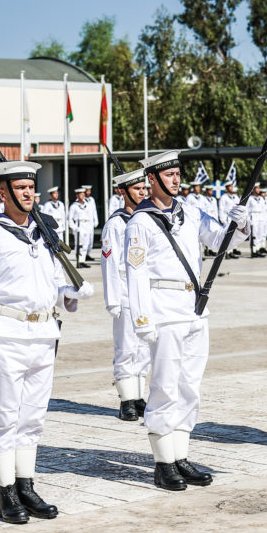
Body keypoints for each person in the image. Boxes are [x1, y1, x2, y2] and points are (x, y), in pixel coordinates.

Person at [0, 160, 93, 523]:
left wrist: (72, 291)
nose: (28, 194)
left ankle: (26, 485)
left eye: (30, 188)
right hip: (6, 334)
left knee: (33, 416)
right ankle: (6, 492)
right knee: (3, 416)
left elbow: (55, 282)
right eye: (19, 188)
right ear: (1, 193)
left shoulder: (43, 234)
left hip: (42, 334)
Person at [124, 149, 249, 491]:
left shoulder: (191, 212)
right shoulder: (140, 222)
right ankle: (164, 462)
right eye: (169, 174)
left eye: (178, 173)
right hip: (163, 309)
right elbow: (135, 275)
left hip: (194, 307)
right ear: (151, 180)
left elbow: (222, 240)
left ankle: (180, 455)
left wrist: (240, 222)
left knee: (189, 386)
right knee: (164, 386)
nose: (176, 179)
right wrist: (142, 320)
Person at [101, 168, 151, 421]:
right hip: (124, 291)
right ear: (123, 192)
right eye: (136, 189)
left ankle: (139, 396)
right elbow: (109, 263)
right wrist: (113, 300)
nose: (142, 193)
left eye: (144, 188)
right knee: (127, 347)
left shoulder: (147, 219)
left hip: (145, 291)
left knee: (144, 346)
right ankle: (126, 399)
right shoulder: (116, 223)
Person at [68, 187, 95, 267]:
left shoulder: (88, 205)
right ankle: (78, 260)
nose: (82, 196)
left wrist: (91, 226)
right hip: (79, 226)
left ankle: (82, 260)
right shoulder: (74, 206)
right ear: (77, 195)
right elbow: (70, 219)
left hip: (87, 226)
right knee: (79, 244)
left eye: (83, 194)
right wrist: (75, 228)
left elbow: (90, 216)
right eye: (80, 194)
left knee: (86, 244)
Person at [247, 184, 267, 257]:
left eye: (259, 188)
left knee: (260, 235)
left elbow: (264, 209)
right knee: (254, 234)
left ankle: (258, 249)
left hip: (261, 217)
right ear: (253, 190)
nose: (258, 190)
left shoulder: (261, 199)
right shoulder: (250, 199)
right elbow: (247, 210)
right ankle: (253, 250)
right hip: (254, 217)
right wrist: (248, 220)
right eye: (256, 188)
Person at [218, 183, 240, 257]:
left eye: (232, 186)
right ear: (227, 188)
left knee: (234, 235)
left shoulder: (236, 197)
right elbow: (221, 209)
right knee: (228, 236)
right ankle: (227, 252)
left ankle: (232, 251)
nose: (231, 188)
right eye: (230, 186)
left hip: (234, 218)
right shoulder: (223, 197)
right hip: (227, 218)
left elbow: (239, 207)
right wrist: (222, 219)